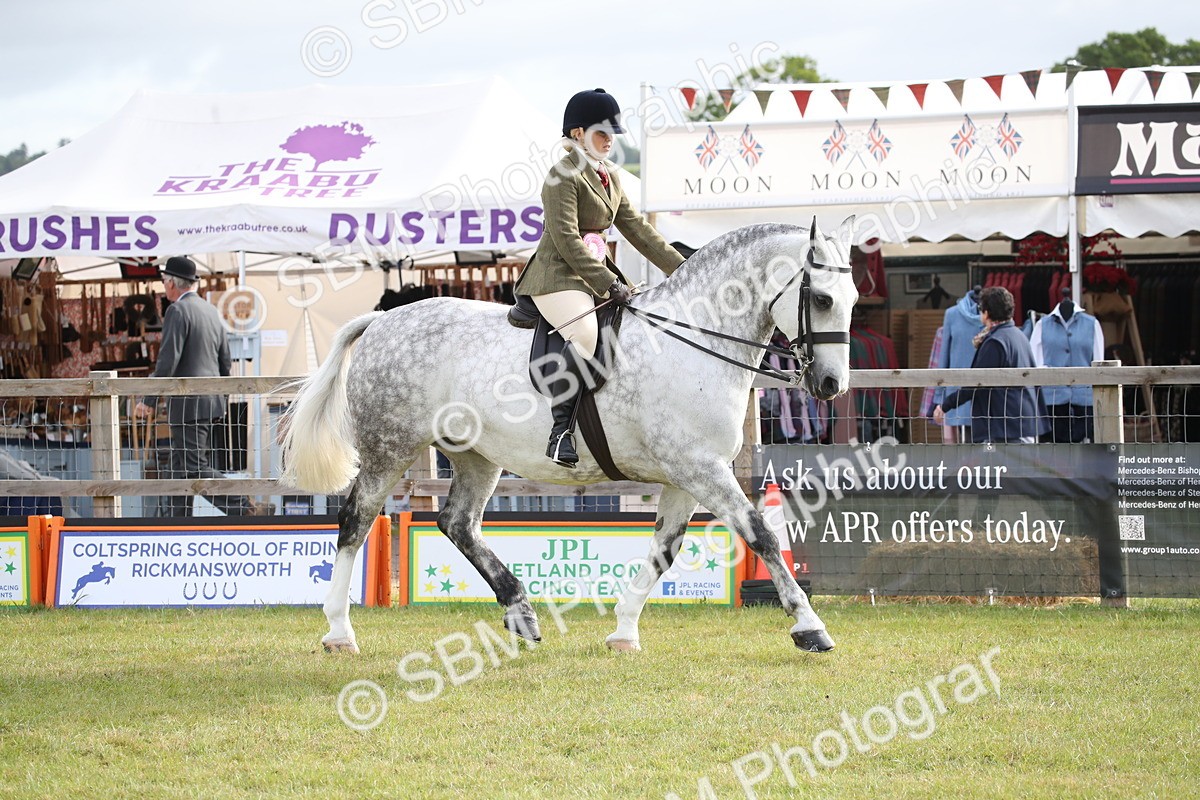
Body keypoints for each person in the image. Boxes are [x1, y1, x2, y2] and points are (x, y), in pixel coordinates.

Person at [515, 88, 686, 468]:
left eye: (612, 134)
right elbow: (566, 239)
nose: (610, 140)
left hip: (590, 274)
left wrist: (684, 269)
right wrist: (608, 282)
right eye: (601, 132)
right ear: (577, 133)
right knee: (586, 334)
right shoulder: (562, 176)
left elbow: (638, 230)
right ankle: (560, 432)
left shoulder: (610, 175)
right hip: (556, 275)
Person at [133, 257, 257, 516]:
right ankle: (179, 524)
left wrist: (149, 400)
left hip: (188, 404)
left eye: (164, 282)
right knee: (179, 470)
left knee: (194, 467)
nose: (164, 288)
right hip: (210, 401)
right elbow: (225, 361)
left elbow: (167, 362)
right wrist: (219, 396)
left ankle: (241, 505)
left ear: (172, 284)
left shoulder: (177, 311)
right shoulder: (210, 311)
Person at [933, 286, 1043, 443]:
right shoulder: (1018, 336)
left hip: (1002, 425)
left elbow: (976, 383)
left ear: (986, 313)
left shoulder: (995, 342)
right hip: (1020, 420)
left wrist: (945, 405)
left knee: (996, 466)